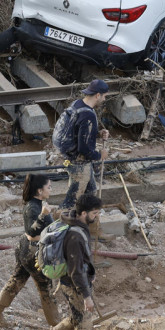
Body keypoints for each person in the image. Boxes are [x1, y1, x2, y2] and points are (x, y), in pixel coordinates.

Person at [0, 174, 60, 328]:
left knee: (17, 280)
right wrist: (44, 215)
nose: (51, 189)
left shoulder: (37, 204)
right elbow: (31, 232)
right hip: (33, 251)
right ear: (39, 190)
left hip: (26, 250)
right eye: (48, 187)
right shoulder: (33, 207)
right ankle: (56, 326)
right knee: (46, 288)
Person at [58, 79, 110, 235]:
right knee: (73, 201)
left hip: (72, 159)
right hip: (80, 164)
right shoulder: (88, 115)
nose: (104, 100)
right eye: (104, 96)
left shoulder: (78, 105)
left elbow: (79, 132)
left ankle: (92, 230)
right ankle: (64, 232)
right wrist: (99, 155)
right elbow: (84, 148)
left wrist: (97, 133)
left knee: (91, 193)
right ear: (98, 95)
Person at [49, 194, 102, 330]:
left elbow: (82, 258)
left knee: (75, 318)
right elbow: (76, 270)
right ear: (83, 213)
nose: (97, 216)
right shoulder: (75, 236)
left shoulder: (77, 223)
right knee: (84, 326)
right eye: (94, 213)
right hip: (73, 286)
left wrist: (91, 273)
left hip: (74, 282)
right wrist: (86, 296)